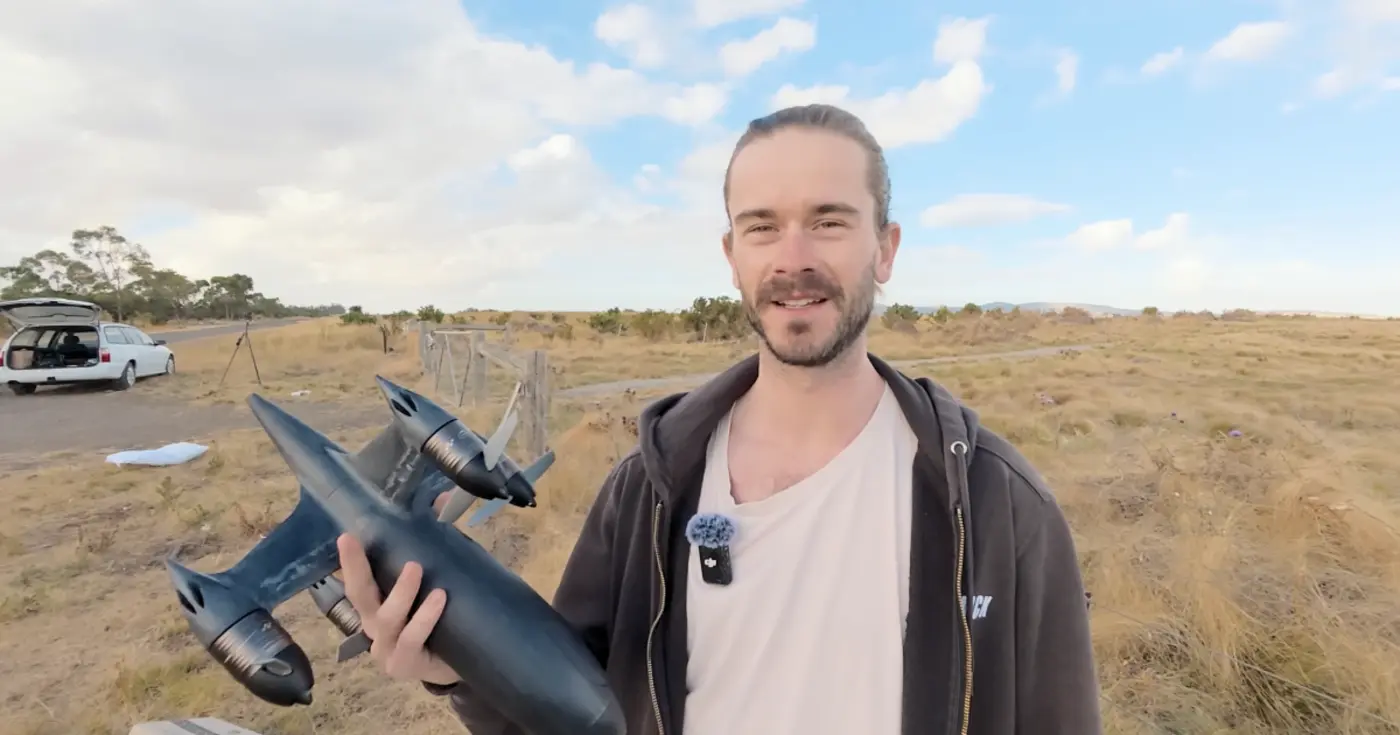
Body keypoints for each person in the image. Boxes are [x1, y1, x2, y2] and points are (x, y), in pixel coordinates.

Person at [336, 103, 1103, 735]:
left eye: (830, 222)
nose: (792, 258)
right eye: (763, 226)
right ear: (732, 254)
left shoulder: (997, 509)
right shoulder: (648, 490)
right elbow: (563, 705)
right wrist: (452, 665)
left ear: (886, 248)